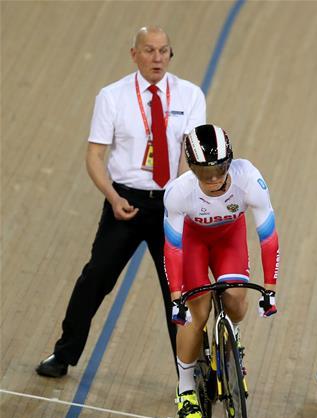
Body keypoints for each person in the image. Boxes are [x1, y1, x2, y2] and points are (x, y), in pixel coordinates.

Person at [36, 26, 206, 378]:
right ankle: (63, 354)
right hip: (124, 202)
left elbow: (193, 155)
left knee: (177, 294)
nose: (157, 58)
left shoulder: (190, 96)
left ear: (171, 54)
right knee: (95, 278)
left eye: (163, 51)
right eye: (149, 51)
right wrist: (112, 198)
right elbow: (95, 156)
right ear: (134, 54)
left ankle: (194, 374)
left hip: (169, 206)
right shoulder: (112, 96)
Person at [163, 124, 279, 418]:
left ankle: (231, 337)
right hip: (194, 244)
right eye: (204, 173)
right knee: (196, 313)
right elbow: (173, 248)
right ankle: (186, 387)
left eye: (219, 170)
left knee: (236, 301)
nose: (213, 179)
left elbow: (268, 236)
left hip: (229, 240)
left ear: (231, 163)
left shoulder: (249, 179)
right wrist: (177, 297)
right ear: (191, 169)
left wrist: (270, 290)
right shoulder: (179, 192)